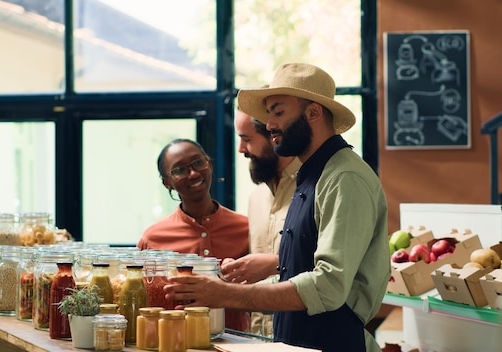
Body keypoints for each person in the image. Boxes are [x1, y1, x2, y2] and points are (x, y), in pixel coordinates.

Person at [165, 63, 390, 352]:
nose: (269, 124)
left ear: (313, 113)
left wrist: (228, 294)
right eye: (269, 113)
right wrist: (273, 265)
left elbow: (328, 286)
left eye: (278, 112)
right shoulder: (313, 174)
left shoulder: (344, 177)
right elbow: (308, 260)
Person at [137, 138, 250, 332]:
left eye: (198, 162)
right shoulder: (153, 238)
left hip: (237, 344)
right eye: (179, 170)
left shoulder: (245, 228)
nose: (193, 173)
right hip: (174, 342)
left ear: (209, 164)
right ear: (167, 182)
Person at [220, 108, 302, 336]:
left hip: (304, 339)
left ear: (274, 136)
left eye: (246, 139)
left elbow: (332, 272)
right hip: (259, 338)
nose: (241, 149)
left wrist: (276, 263)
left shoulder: (315, 188)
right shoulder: (256, 198)